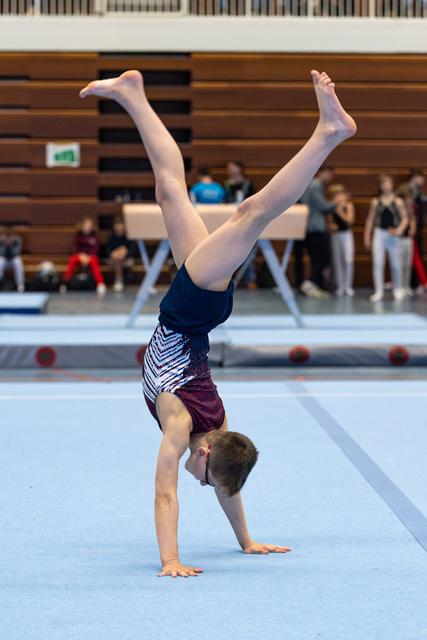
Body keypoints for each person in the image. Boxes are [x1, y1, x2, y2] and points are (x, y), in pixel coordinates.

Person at [79, 68, 356, 578]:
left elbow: (225, 484)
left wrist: (246, 540)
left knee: (170, 192)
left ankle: (133, 95)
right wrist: (170, 560)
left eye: (205, 482)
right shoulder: (185, 427)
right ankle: (327, 135)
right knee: (251, 213)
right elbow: (166, 491)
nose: (201, 484)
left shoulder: (217, 434)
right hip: (192, 310)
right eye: (205, 477)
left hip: (197, 315)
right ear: (205, 450)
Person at [364, 175, 408, 302]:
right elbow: (370, 220)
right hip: (379, 233)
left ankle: (397, 289)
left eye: (388, 183)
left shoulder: (398, 201)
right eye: (384, 184)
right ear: (380, 186)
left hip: (393, 233)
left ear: (392, 185)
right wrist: (367, 236)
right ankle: (378, 291)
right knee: (378, 263)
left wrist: (399, 229)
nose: (386, 186)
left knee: (395, 263)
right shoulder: (375, 201)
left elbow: (405, 218)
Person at [299, 165, 335, 297]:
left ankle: (316, 284)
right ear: (322, 173)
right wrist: (336, 203)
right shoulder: (316, 185)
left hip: (311, 226)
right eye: (329, 174)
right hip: (315, 227)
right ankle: (310, 283)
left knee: (317, 258)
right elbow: (322, 205)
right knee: (323, 257)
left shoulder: (309, 185)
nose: (330, 178)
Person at [224, 161, 257, 288]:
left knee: (248, 251)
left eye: (233, 168)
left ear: (240, 169)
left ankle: (250, 279)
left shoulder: (248, 184)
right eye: (228, 168)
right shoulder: (226, 185)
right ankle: (226, 279)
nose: (230, 170)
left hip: (245, 220)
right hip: (229, 220)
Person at [399, 168, 427, 293]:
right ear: (415, 177)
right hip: (407, 231)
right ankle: (420, 282)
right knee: (413, 256)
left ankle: (414, 283)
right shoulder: (409, 190)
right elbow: (409, 213)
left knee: (414, 256)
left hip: (414, 228)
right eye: (421, 178)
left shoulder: (417, 191)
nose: (423, 180)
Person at [64, 217, 106, 295]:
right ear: (82, 226)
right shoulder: (78, 236)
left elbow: (96, 249)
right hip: (79, 255)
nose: (87, 228)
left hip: (91, 257)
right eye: (86, 226)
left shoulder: (95, 237)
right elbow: (75, 247)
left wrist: (89, 256)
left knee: (94, 261)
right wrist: (81, 255)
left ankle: (100, 283)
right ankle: (67, 281)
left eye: (89, 227)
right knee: (72, 260)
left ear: (92, 227)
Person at [328, 184, 355, 296]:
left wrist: (339, 211)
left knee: (348, 260)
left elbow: (350, 221)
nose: (339, 197)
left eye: (341, 195)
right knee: (337, 260)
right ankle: (340, 285)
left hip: (346, 234)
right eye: (336, 195)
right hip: (335, 235)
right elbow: (328, 222)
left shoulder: (348, 206)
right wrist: (331, 226)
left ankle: (348, 286)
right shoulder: (331, 206)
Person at [395, 184, 417, 297]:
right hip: (398, 239)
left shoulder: (409, 208)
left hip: (408, 238)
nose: (410, 200)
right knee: (399, 264)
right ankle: (398, 286)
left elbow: (412, 220)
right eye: (408, 197)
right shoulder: (397, 207)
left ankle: (406, 285)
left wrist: (413, 228)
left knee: (407, 264)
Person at [107, 216, 133, 292]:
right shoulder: (112, 237)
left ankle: (119, 280)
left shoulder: (128, 236)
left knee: (120, 256)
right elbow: (109, 250)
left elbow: (132, 250)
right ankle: (119, 280)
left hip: (127, 259)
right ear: (114, 226)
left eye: (121, 224)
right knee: (117, 259)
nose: (119, 227)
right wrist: (114, 253)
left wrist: (124, 252)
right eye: (117, 225)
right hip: (114, 259)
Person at [0, 225, 25, 292]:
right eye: (7, 233)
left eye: (10, 233)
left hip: (14, 258)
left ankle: (20, 285)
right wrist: (5, 245)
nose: (8, 235)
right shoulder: (1, 239)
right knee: (0, 262)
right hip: (4, 258)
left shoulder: (17, 239)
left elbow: (18, 251)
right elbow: (0, 252)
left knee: (18, 262)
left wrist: (11, 244)